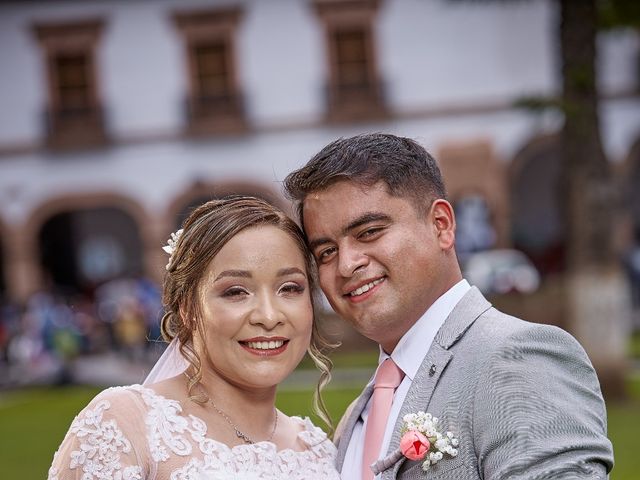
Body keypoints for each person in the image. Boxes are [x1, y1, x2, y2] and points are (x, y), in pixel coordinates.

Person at [284, 133, 614, 479]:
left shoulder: (518, 359)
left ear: (441, 225)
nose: (346, 264)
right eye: (326, 252)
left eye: (369, 232)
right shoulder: (357, 415)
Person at [48, 196, 340, 480]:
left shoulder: (318, 450)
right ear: (187, 308)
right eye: (236, 291)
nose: (268, 315)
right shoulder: (126, 424)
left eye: (289, 288)